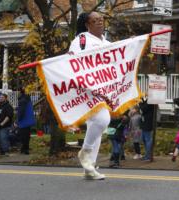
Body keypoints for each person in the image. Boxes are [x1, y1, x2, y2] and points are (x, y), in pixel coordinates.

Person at [69, 12, 111, 180]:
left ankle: (89, 167)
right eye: (95, 20)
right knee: (102, 120)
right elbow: (74, 63)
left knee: (98, 127)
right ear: (87, 24)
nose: (100, 22)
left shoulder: (108, 42)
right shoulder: (81, 41)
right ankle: (85, 151)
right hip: (85, 89)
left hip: (103, 90)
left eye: (101, 19)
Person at [16, 88, 36, 155]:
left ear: (20, 92)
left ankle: (24, 149)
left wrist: (17, 120)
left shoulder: (22, 100)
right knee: (27, 136)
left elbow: (21, 112)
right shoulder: (28, 100)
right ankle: (26, 149)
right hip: (28, 121)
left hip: (23, 121)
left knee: (22, 136)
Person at [139, 97, 155, 161]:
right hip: (145, 122)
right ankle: (147, 155)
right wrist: (142, 100)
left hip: (147, 122)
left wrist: (140, 102)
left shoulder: (150, 101)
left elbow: (144, 108)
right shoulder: (148, 101)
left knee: (147, 139)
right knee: (144, 139)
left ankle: (148, 156)